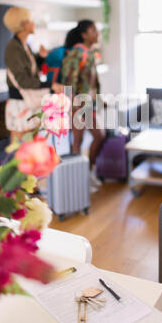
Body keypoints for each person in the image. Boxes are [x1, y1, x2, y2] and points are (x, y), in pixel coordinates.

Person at [3, 7, 63, 142]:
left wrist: (40, 57)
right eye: (31, 20)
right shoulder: (13, 48)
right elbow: (23, 80)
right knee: (19, 150)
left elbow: (29, 69)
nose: (33, 23)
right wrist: (50, 85)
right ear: (24, 24)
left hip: (27, 103)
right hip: (19, 104)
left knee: (31, 147)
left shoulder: (24, 45)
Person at [61, 20, 105, 193]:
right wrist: (74, 106)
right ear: (84, 35)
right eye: (93, 30)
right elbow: (68, 81)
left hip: (88, 103)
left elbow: (92, 82)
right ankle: (78, 181)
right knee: (77, 143)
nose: (97, 33)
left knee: (98, 136)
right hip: (78, 105)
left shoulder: (90, 52)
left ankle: (88, 172)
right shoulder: (77, 53)